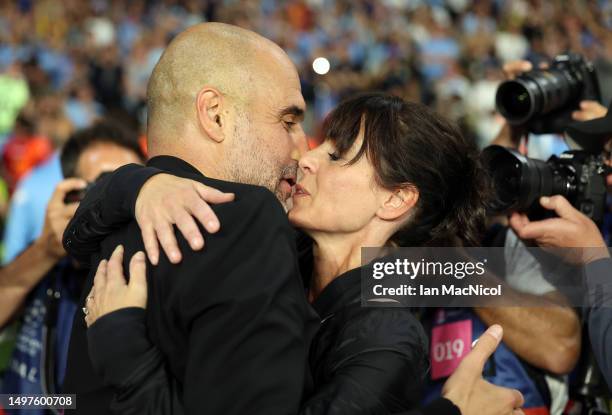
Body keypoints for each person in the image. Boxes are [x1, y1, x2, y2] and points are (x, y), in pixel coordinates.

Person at [65, 90, 525, 415]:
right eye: (319, 141)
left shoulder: (386, 339)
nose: (306, 156)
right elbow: (77, 229)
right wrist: (145, 184)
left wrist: (123, 349)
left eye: (338, 154)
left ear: (395, 199)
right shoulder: (277, 251)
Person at [0, 121, 144, 414]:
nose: (117, 203)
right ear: (72, 194)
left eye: (129, 187)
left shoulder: (148, 271)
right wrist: (48, 248)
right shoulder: (46, 264)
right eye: (104, 186)